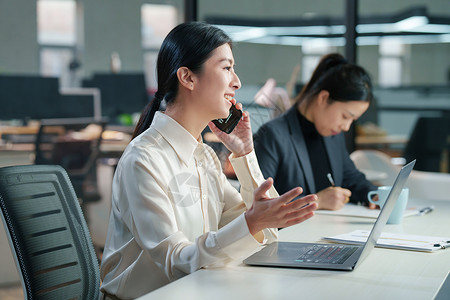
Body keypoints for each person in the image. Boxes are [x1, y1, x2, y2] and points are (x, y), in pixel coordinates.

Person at [99, 22, 318, 300]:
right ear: (188, 78)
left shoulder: (204, 157)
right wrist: (251, 224)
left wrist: (245, 154)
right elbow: (176, 263)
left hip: (196, 291)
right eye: (226, 68)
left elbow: (263, 235)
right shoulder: (143, 160)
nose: (236, 82)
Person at [254, 53, 377, 211]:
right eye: (346, 116)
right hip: (291, 235)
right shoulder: (272, 135)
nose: (346, 127)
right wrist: (315, 201)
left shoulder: (332, 134)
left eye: (352, 120)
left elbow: (350, 178)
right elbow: (255, 204)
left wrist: (373, 194)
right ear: (324, 98)